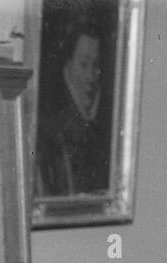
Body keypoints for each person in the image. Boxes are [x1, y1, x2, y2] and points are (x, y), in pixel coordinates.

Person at [35, 21, 110, 196]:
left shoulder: (102, 132)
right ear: (67, 68)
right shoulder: (51, 132)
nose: (91, 77)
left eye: (96, 66)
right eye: (84, 65)